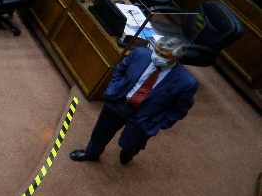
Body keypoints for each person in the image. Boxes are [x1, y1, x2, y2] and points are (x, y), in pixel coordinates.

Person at [69, 36, 197, 165]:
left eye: (164, 55)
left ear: (177, 58)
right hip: (119, 102)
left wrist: (159, 124)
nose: (157, 56)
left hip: (145, 117)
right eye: (156, 51)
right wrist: (113, 87)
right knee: (101, 132)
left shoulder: (186, 82)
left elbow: (180, 110)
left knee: (132, 144)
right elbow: (120, 69)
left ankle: (128, 153)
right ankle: (91, 153)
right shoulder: (140, 54)